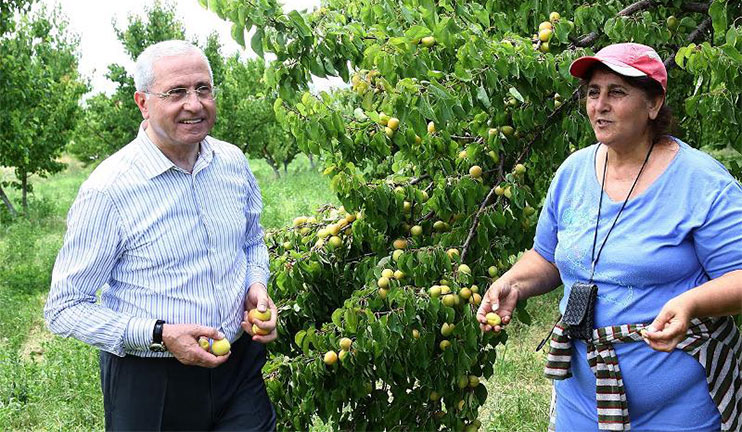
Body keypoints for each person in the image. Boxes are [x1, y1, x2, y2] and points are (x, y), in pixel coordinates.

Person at [477, 42, 742, 431]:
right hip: (581, 401)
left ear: (653, 104)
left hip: (680, 407)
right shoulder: (572, 172)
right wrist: (512, 283)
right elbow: (548, 257)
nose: (600, 105)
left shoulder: (701, 183)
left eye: (616, 92)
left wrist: (690, 303)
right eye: (593, 92)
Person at [44, 40, 278, 431]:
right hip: (152, 381)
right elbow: (64, 307)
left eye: (203, 89)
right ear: (143, 103)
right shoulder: (110, 189)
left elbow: (251, 240)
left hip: (238, 367)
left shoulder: (233, 164)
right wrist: (159, 334)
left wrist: (257, 284)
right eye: (176, 92)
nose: (195, 103)